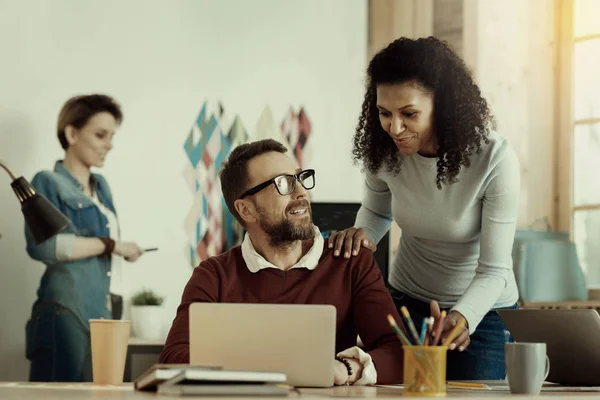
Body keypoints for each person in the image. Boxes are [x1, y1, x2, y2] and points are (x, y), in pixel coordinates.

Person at [329, 37, 520, 380]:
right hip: (406, 304)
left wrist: (461, 317)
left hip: (482, 315)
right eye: (384, 113)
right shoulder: (384, 151)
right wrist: (362, 237)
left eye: (409, 114)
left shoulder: (494, 159)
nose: (394, 128)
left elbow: (494, 271)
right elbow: (377, 212)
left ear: (443, 106)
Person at [159, 139, 404, 385]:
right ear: (246, 210)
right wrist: (273, 367)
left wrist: (345, 369)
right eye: (283, 183)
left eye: (299, 178)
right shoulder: (213, 276)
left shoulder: (350, 261)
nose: (301, 192)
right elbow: (173, 358)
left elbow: (399, 353)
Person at [24, 94, 145, 382]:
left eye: (112, 136)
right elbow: (46, 246)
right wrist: (112, 245)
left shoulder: (101, 187)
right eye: (101, 135)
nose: (109, 145)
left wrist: (120, 250)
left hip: (104, 311)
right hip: (66, 311)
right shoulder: (46, 181)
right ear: (72, 133)